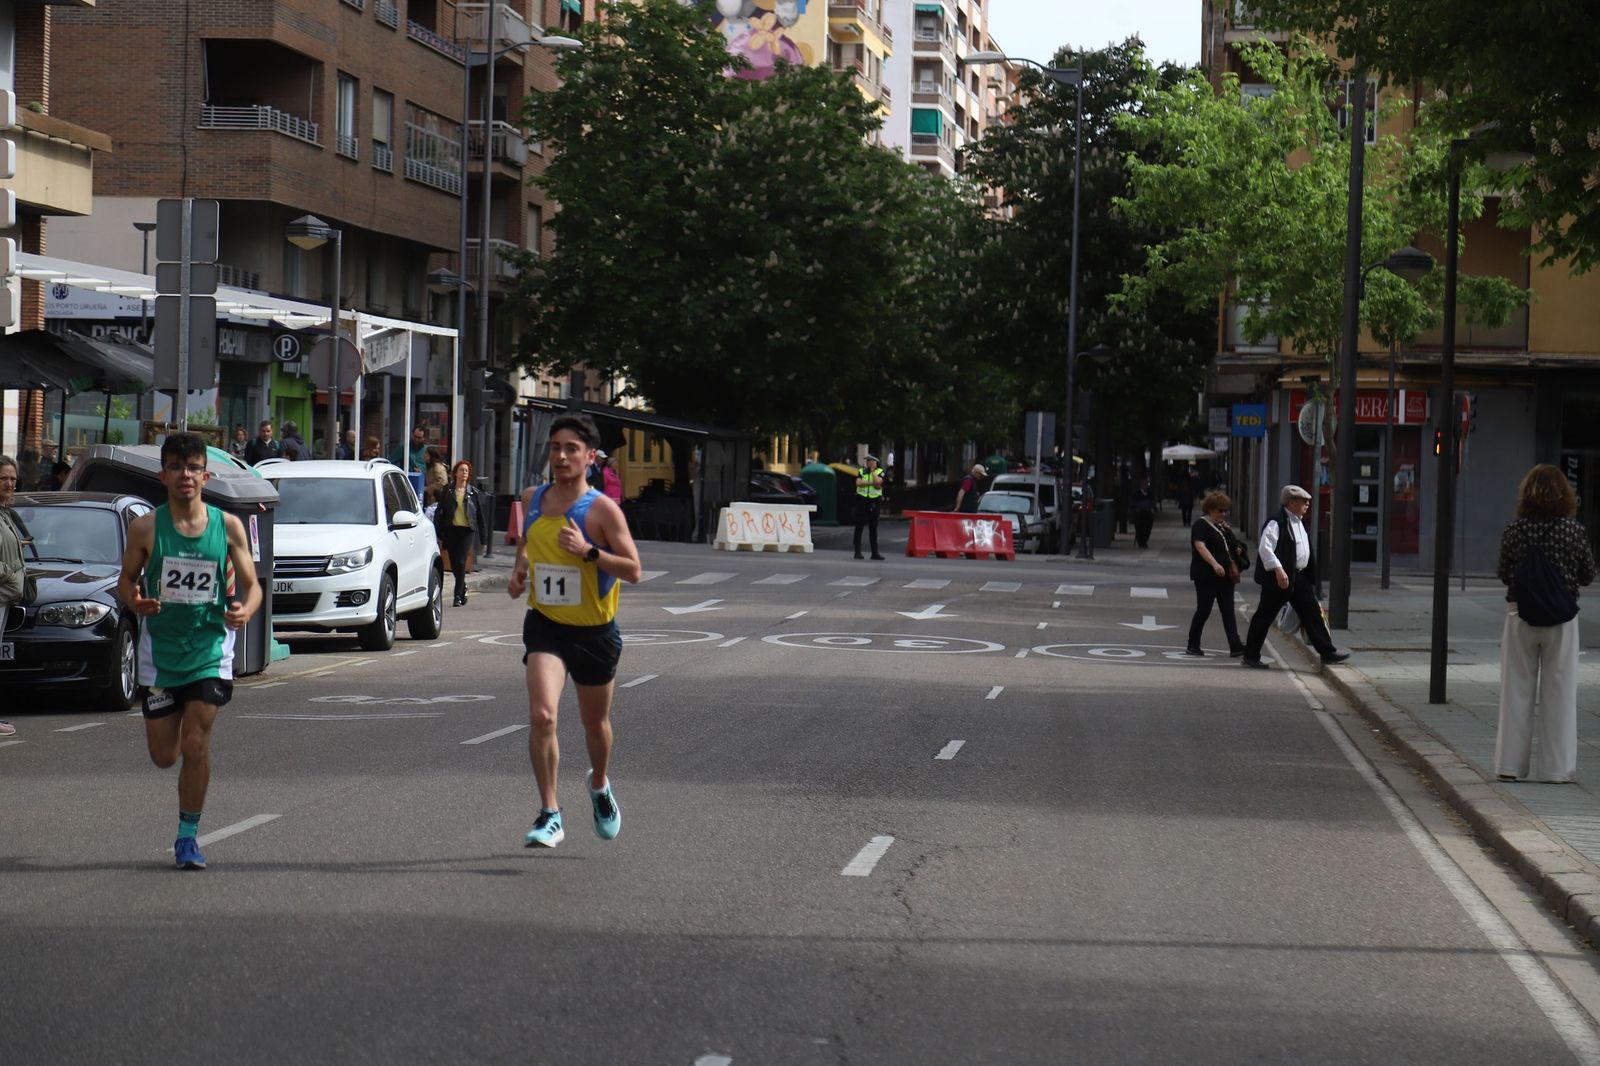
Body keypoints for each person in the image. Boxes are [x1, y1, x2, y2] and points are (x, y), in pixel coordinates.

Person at [115, 433, 262, 870]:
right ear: (163, 475)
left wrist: (244, 612)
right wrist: (136, 601)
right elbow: (126, 580)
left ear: (206, 474)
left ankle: (187, 836)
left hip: (210, 649)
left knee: (197, 743)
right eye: (177, 467)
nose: (186, 475)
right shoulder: (146, 528)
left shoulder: (228, 525)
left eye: (193, 467)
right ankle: (175, 741)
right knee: (165, 756)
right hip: (160, 655)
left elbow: (253, 586)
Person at [507, 414, 642, 849]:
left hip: (595, 632)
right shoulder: (533, 498)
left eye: (570, 449)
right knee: (542, 715)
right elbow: (528, 541)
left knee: (594, 724)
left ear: (588, 457)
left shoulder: (602, 509)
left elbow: (634, 570)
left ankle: (600, 785)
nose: (560, 456)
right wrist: (519, 571)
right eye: (554, 447)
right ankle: (550, 813)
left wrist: (588, 552)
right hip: (545, 625)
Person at [1494, 464, 1596, 784]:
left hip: (1519, 615)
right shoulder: (1572, 530)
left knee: (1516, 691)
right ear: (1565, 495)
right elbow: (1588, 575)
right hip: (1561, 620)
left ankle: (1510, 765)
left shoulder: (1515, 530)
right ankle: (1555, 770)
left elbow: (1503, 571)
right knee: (1560, 694)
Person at [1240, 484, 1349, 669]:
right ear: (1290, 503)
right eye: (1303, 501)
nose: (1307, 504)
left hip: (1299, 578)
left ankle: (1327, 652)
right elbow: (1265, 549)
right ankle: (1251, 655)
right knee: (1264, 616)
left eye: (1308, 501)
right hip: (1279, 579)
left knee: (1313, 613)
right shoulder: (1277, 522)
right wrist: (1278, 570)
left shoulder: (1300, 522)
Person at [1185, 491, 1245, 658]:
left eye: (1225, 510)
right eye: (1220, 510)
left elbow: (1233, 547)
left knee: (1228, 611)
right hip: (1206, 576)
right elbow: (1200, 547)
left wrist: (1230, 532)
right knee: (1204, 610)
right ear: (1210, 509)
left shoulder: (1222, 527)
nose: (1223, 514)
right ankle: (1193, 644)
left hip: (1225, 577)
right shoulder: (1200, 525)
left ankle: (1235, 645)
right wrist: (1214, 564)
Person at [0, 454, 31, 737]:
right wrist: (10, 571)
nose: (10, 484)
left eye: (12, 479)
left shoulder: (5, 513)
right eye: (4, 479)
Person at [434, 459, 488, 607]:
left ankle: (457, 596)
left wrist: (483, 539)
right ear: (455, 473)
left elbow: (480, 517)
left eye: (466, 471)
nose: (464, 473)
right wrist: (437, 533)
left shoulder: (473, 493)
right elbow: (439, 513)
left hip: (466, 531)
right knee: (453, 563)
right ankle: (462, 586)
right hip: (451, 530)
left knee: (461, 561)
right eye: (461, 470)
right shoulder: (447, 491)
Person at [853, 454, 885, 561]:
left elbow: (878, 481)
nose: (869, 463)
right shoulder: (861, 471)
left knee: (873, 527)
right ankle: (857, 552)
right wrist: (872, 483)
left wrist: (872, 472)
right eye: (867, 461)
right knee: (859, 526)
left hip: (874, 500)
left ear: (876, 462)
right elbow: (858, 483)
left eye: (871, 461)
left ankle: (874, 553)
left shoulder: (880, 471)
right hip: (862, 500)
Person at [1131, 477, 1157, 548]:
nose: (1145, 485)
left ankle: (1144, 541)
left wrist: (1153, 509)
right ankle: (1141, 542)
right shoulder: (1136, 494)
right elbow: (1133, 505)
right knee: (1139, 528)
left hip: (1148, 514)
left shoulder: (1150, 493)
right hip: (1139, 514)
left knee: (1148, 528)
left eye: (1146, 484)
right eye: (1144, 484)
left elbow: (1153, 503)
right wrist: (1136, 510)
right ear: (1141, 485)